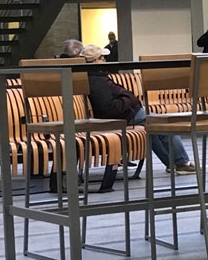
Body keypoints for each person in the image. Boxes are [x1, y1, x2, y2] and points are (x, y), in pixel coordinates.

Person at [81, 44, 195, 174]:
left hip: (128, 114)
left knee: (153, 132)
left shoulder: (97, 78)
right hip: (126, 116)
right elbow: (109, 108)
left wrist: (128, 98)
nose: (105, 60)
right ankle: (182, 163)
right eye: (102, 58)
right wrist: (130, 99)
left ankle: (173, 163)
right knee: (164, 124)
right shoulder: (97, 81)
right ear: (96, 60)